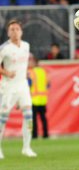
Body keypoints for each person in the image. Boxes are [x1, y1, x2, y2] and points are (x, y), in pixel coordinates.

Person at [0, 20, 37, 159]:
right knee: (2, 118)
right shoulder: (4, 48)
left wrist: (25, 72)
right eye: (12, 29)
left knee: (29, 116)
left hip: (23, 86)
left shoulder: (26, 46)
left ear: (21, 31)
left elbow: (24, 64)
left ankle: (27, 148)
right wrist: (6, 73)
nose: (15, 31)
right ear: (8, 32)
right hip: (8, 87)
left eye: (17, 29)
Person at [28, 56, 49, 139]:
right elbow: (48, 84)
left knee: (34, 119)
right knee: (43, 118)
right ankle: (45, 134)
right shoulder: (43, 71)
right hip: (43, 98)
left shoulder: (31, 72)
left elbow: (29, 84)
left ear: (34, 63)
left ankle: (34, 135)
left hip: (34, 99)